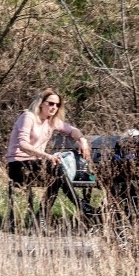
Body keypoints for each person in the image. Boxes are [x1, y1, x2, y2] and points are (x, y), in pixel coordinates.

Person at [6, 88, 94, 222]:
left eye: (57, 105)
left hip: (38, 166)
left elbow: (72, 130)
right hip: (18, 165)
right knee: (55, 167)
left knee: (57, 176)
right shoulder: (28, 117)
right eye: (50, 103)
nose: (54, 107)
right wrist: (47, 156)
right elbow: (23, 145)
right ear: (41, 103)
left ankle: (41, 218)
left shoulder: (51, 121)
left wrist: (82, 140)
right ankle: (81, 205)